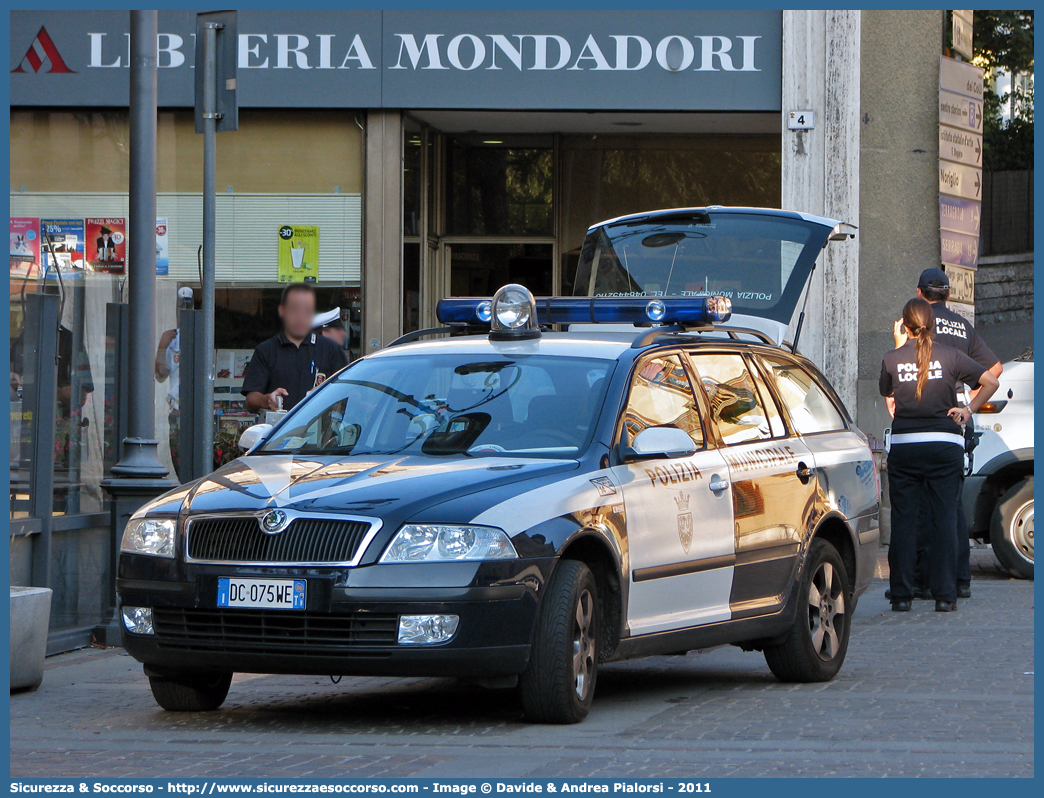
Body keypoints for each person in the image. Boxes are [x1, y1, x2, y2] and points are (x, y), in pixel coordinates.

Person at [880, 298, 999, 613]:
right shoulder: (952, 356)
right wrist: (967, 409)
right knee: (944, 517)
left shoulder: (892, 358)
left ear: (905, 326)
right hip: (944, 444)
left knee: (904, 520)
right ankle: (945, 595)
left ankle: (902, 594)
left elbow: (888, 393)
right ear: (933, 324)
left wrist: (898, 344)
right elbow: (991, 380)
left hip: (905, 446)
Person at [241, 283, 348, 414]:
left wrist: (327, 393)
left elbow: (349, 393)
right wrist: (267, 400)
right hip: (279, 430)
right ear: (282, 311)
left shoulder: (331, 350)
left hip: (321, 430)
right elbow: (250, 401)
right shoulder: (266, 350)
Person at [155, 287, 194, 481]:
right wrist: (162, 347)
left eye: (188, 305)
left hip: (196, 411)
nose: (184, 310)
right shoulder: (172, 339)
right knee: (178, 462)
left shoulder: (200, 333)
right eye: (181, 306)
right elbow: (161, 375)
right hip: (177, 412)